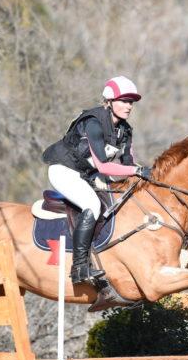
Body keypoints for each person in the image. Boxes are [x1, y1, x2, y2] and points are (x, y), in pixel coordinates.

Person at [41, 76, 152, 285]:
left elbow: (128, 163)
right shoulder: (93, 123)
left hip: (87, 174)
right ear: (109, 101)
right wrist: (137, 170)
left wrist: (144, 176)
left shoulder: (125, 131)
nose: (128, 106)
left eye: (131, 102)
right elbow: (103, 165)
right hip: (64, 170)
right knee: (91, 204)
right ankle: (80, 268)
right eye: (123, 101)